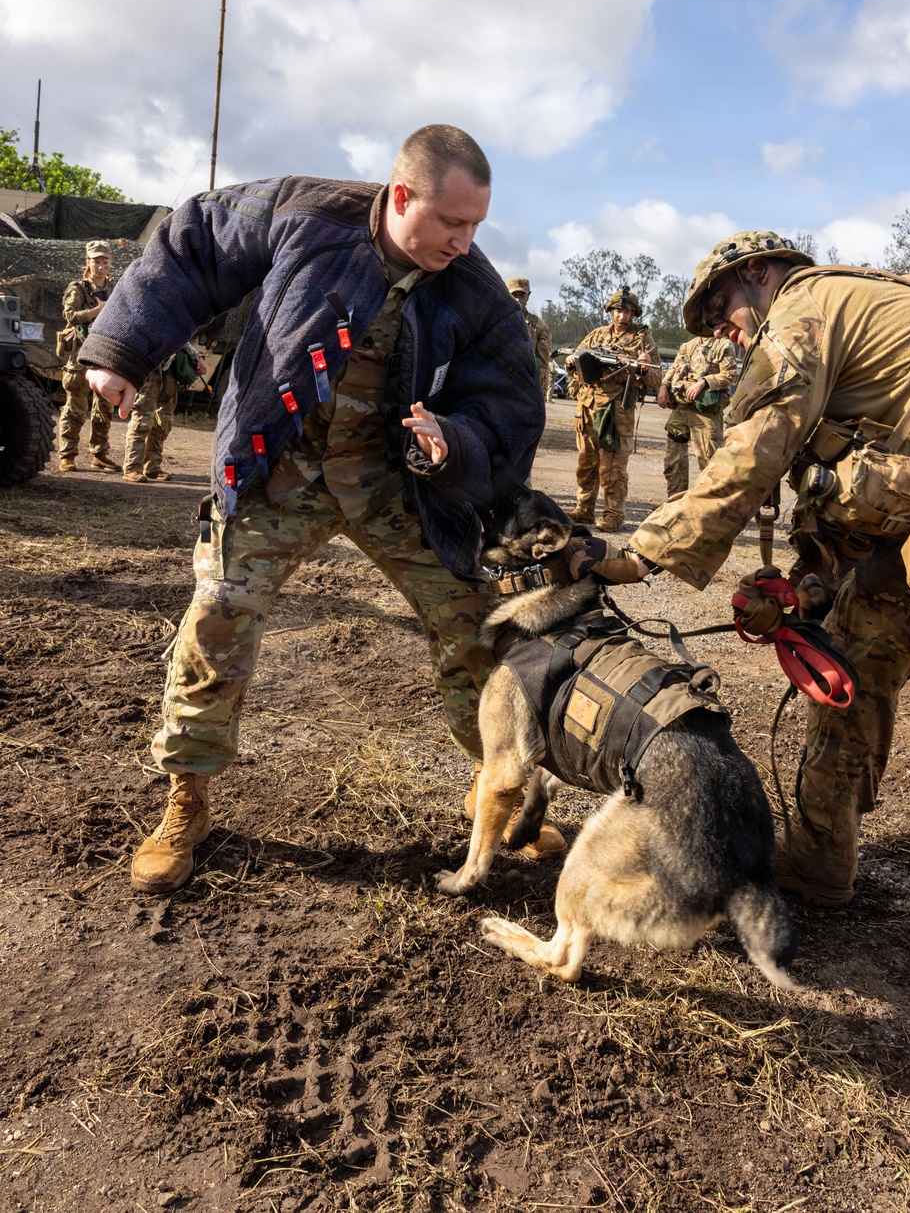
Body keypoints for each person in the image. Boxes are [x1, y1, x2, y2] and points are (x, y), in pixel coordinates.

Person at [80, 125, 558, 895]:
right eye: (451, 222)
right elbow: (194, 239)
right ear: (400, 195)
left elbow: (511, 393)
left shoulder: (473, 285)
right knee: (218, 618)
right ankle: (187, 802)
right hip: (279, 465)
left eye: (477, 226)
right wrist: (123, 349)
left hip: (391, 482)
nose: (466, 243)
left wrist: (456, 440)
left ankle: (497, 792)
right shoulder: (309, 214)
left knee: (474, 624)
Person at [616, 230, 910, 907]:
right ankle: (821, 858)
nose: (723, 334)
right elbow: (848, 518)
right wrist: (797, 591)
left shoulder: (807, 304)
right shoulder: (849, 358)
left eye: (721, 310)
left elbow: (755, 446)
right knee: (851, 660)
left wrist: (643, 551)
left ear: (758, 274)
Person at [565, 289, 661, 532]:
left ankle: (614, 515)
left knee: (613, 468)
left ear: (633, 313)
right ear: (611, 311)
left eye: (627, 311)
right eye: (618, 310)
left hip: (615, 410)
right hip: (587, 407)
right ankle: (584, 510)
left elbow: (657, 378)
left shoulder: (643, 340)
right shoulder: (597, 334)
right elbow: (577, 361)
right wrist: (571, 365)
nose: (622, 316)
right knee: (586, 463)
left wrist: (643, 369)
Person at [56, 240, 119, 473]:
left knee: (104, 408)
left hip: (106, 355)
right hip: (81, 354)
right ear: (88, 262)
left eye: (105, 261)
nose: (101, 266)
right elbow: (70, 315)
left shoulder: (115, 288)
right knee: (75, 408)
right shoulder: (78, 288)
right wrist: (97, 310)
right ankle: (67, 456)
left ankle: (99, 454)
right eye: (96, 261)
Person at [658, 329, 738, 496]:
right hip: (681, 407)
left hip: (705, 411)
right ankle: (675, 501)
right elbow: (673, 369)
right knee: (673, 459)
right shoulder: (689, 346)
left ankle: (709, 506)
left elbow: (729, 375)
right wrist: (664, 386)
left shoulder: (723, 344)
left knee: (709, 461)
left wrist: (704, 382)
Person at [122, 345, 206, 483]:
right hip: (148, 370)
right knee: (142, 421)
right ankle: (132, 468)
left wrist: (197, 357)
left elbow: (181, 337)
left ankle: (152, 467)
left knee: (163, 421)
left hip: (169, 371)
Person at [507, 277, 553, 399]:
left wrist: (539, 396)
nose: (517, 299)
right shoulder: (494, 320)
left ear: (528, 296)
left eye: (521, 295)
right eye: (514, 295)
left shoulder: (539, 326)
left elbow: (543, 364)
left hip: (525, 387)